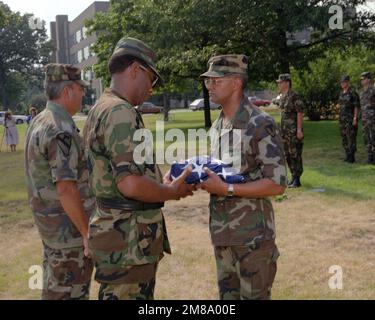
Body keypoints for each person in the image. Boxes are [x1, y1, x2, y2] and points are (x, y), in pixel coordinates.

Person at [83, 37, 195, 300]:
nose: (152, 89)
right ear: (135, 69)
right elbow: (129, 184)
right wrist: (170, 191)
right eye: (152, 79)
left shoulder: (100, 108)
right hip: (129, 243)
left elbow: (117, 173)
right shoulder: (120, 112)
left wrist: (158, 181)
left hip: (118, 237)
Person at [198, 54, 287, 300]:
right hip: (223, 235)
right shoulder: (219, 125)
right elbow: (226, 171)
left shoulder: (260, 123)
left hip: (253, 240)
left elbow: (277, 183)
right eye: (207, 81)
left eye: (216, 81)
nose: (209, 87)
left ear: (236, 83)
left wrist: (226, 188)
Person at [24, 63, 94, 300]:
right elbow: (65, 187)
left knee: (55, 292)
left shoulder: (40, 121)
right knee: (69, 293)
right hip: (69, 234)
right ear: (67, 91)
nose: (83, 94)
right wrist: (86, 232)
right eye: (80, 89)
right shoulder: (60, 129)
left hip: (53, 230)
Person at [276, 74, 304, 188]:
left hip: (293, 131)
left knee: (295, 154)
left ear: (287, 83)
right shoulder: (282, 96)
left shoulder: (294, 95)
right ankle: (293, 176)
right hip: (284, 131)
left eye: (280, 82)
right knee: (287, 154)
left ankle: (297, 178)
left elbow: (300, 112)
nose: (278, 84)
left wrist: (299, 129)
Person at [338, 75, 360, 163]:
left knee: (351, 137)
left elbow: (356, 106)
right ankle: (347, 155)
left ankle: (352, 157)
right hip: (342, 119)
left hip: (350, 119)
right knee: (344, 137)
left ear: (348, 82)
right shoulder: (341, 93)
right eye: (341, 82)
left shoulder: (352, 92)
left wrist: (355, 118)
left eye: (343, 82)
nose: (342, 84)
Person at [359, 71, 375, 164]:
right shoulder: (361, 92)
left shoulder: (373, 90)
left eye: (363, 79)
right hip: (364, 119)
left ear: (368, 79)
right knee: (366, 138)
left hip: (372, 118)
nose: (362, 81)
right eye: (361, 79)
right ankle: (369, 157)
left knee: (373, 137)